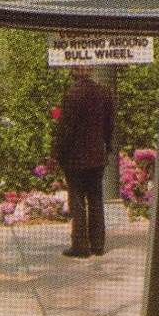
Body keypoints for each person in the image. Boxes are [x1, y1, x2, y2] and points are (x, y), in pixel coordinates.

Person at [52, 66, 114, 257]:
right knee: (96, 198)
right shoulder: (104, 92)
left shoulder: (72, 94)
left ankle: (80, 245)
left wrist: (56, 154)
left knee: (77, 200)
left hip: (76, 157)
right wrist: (107, 147)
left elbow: (66, 129)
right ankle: (98, 244)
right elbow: (110, 125)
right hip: (97, 155)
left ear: (75, 71)